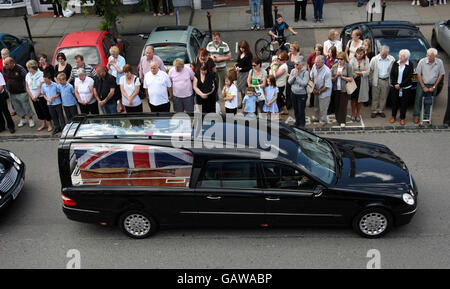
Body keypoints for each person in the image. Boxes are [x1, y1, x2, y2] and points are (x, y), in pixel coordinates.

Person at [413, 48, 445, 123]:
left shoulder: (439, 62)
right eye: (428, 55)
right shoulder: (422, 61)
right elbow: (419, 74)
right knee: (418, 99)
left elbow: (441, 75)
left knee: (429, 100)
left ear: (435, 56)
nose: (429, 57)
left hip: (432, 84)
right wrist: (423, 86)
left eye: (431, 56)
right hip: (422, 84)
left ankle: (427, 116)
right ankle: (416, 115)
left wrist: (434, 86)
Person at [2, 57, 35, 128]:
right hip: (12, 92)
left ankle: (30, 119)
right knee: (17, 107)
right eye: (4, 64)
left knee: (26, 106)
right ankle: (22, 119)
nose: (5, 65)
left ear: (12, 63)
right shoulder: (5, 68)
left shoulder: (20, 68)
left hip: (22, 91)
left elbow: (26, 77)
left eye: (7, 64)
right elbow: (4, 77)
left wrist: (26, 88)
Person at [25, 60, 52, 132]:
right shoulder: (28, 75)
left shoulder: (41, 74)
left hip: (40, 96)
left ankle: (50, 124)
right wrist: (32, 96)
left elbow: (42, 87)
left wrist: (36, 96)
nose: (27, 69)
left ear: (33, 67)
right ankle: (43, 124)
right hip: (33, 97)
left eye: (29, 67)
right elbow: (27, 87)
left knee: (45, 110)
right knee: (38, 111)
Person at [369, 45, 395, 118]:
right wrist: (370, 80)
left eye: (385, 54)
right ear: (380, 52)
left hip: (386, 80)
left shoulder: (391, 59)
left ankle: (381, 110)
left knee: (384, 97)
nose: (384, 56)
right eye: (383, 54)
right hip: (377, 79)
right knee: (375, 96)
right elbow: (370, 70)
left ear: (388, 53)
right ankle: (374, 110)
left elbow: (393, 71)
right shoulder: (374, 59)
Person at [389, 49, 414, 126]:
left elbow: (409, 77)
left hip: (405, 88)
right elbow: (392, 74)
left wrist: (401, 85)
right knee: (394, 102)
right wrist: (395, 84)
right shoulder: (395, 63)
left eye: (402, 56)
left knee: (404, 103)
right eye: (400, 55)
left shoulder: (410, 65)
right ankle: (393, 116)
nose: (400, 57)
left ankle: (402, 118)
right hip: (395, 87)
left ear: (406, 57)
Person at [331, 51, 353, 127]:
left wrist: (343, 77)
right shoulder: (334, 66)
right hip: (336, 88)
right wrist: (336, 76)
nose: (339, 61)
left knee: (343, 105)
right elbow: (331, 79)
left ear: (344, 59)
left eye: (341, 59)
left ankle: (342, 120)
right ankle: (337, 118)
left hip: (344, 89)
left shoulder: (348, 66)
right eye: (338, 59)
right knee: (336, 104)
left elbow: (351, 78)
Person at [206, 32, 231, 97]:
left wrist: (220, 59)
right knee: (214, 83)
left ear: (219, 37)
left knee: (224, 84)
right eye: (214, 38)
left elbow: (229, 56)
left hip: (222, 68)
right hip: (213, 68)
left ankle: (225, 97)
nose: (215, 40)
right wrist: (211, 58)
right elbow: (206, 55)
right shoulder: (209, 45)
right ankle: (215, 97)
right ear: (212, 38)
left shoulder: (225, 45)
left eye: (216, 38)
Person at [310, 55, 332, 126]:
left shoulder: (327, 71)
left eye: (317, 62)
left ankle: (323, 121)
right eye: (315, 62)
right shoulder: (314, 66)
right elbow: (312, 76)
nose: (315, 64)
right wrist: (313, 87)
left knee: (323, 108)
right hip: (316, 88)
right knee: (316, 106)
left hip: (324, 92)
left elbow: (327, 86)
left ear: (322, 63)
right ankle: (317, 117)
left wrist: (319, 91)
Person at [288, 56, 309, 128]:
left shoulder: (305, 72)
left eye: (297, 64)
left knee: (301, 111)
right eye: (294, 64)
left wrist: (297, 77)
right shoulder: (293, 71)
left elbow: (304, 83)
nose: (295, 66)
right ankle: (297, 122)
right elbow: (289, 82)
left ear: (301, 64)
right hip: (293, 93)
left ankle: (302, 124)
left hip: (301, 95)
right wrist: (294, 76)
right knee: (296, 110)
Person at [349, 47, 370, 122]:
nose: (359, 55)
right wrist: (361, 72)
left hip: (362, 82)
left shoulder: (366, 60)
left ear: (363, 54)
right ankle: (353, 113)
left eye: (361, 54)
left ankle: (358, 113)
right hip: (354, 81)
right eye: (358, 53)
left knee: (360, 99)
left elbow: (368, 71)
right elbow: (350, 71)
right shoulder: (352, 60)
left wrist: (358, 72)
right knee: (353, 99)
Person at [107, 46, 126, 112]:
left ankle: (125, 109)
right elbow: (108, 68)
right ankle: (121, 107)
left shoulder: (122, 59)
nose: (112, 55)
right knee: (117, 95)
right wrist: (109, 64)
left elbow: (121, 70)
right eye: (111, 54)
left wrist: (114, 64)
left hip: (119, 79)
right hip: (112, 79)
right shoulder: (110, 58)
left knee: (122, 95)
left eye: (113, 54)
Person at [235, 40, 253, 109]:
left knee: (246, 89)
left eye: (243, 48)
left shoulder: (249, 55)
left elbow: (249, 66)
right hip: (239, 74)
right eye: (240, 48)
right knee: (241, 90)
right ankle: (243, 103)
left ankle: (248, 103)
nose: (241, 49)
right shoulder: (240, 54)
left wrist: (241, 69)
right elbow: (237, 62)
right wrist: (237, 66)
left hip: (245, 74)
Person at [270, 51, 289, 115]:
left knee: (277, 99)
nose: (278, 60)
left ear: (284, 60)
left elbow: (275, 76)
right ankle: (285, 110)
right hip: (278, 84)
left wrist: (272, 67)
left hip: (280, 85)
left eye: (279, 59)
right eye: (278, 58)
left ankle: (277, 114)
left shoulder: (284, 67)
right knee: (280, 98)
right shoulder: (280, 65)